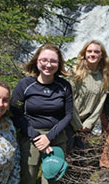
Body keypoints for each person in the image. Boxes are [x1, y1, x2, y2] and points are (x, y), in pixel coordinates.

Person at [10, 44, 73, 184]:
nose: (48, 65)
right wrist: (37, 137)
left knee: (52, 179)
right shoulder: (24, 85)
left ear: (59, 64)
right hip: (31, 136)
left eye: (53, 61)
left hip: (56, 136)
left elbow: (68, 115)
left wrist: (49, 137)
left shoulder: (64, 86)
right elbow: (15, 112)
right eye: (44, 60)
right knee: (28, 177)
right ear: (37, 60)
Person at [66, 40, 109, 152]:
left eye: (96, 52)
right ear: (84, 54)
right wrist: (76, 122)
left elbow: (100, 103)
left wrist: (89, 123)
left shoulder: (104, 77)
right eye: (89, 51)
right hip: (69, 119)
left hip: (86, 123)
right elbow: (68, 98)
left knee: (80, 155)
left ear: (101, 56)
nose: (92, 54)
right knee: (66, 150)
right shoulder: (75, 71)